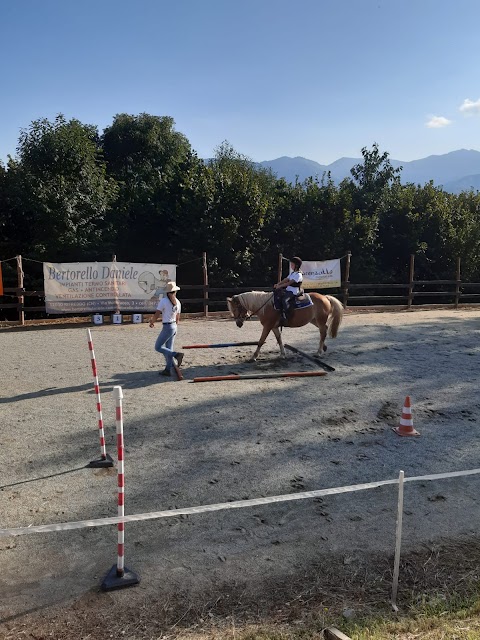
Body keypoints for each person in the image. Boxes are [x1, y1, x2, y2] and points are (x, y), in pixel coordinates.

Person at [149, 281, 184, 376]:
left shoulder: (164, 301)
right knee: (168, 348)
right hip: (174, 327)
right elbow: (177, 319)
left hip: (167, 326)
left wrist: (152, 322)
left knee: (158, 347)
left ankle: (176, 354)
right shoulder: (178, 302)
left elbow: (157, 313)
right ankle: (168, 369)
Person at [274, 256, 303, 324]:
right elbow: (285, 280)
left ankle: (287, 316)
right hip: (288, 290)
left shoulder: (298, 275)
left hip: (294, 292)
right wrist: (278, 284)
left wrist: (279, 286)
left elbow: (289, 283)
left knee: (284, 300)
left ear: (296, 265)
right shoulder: (292, 273)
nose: (291, 266)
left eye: (292, 264)